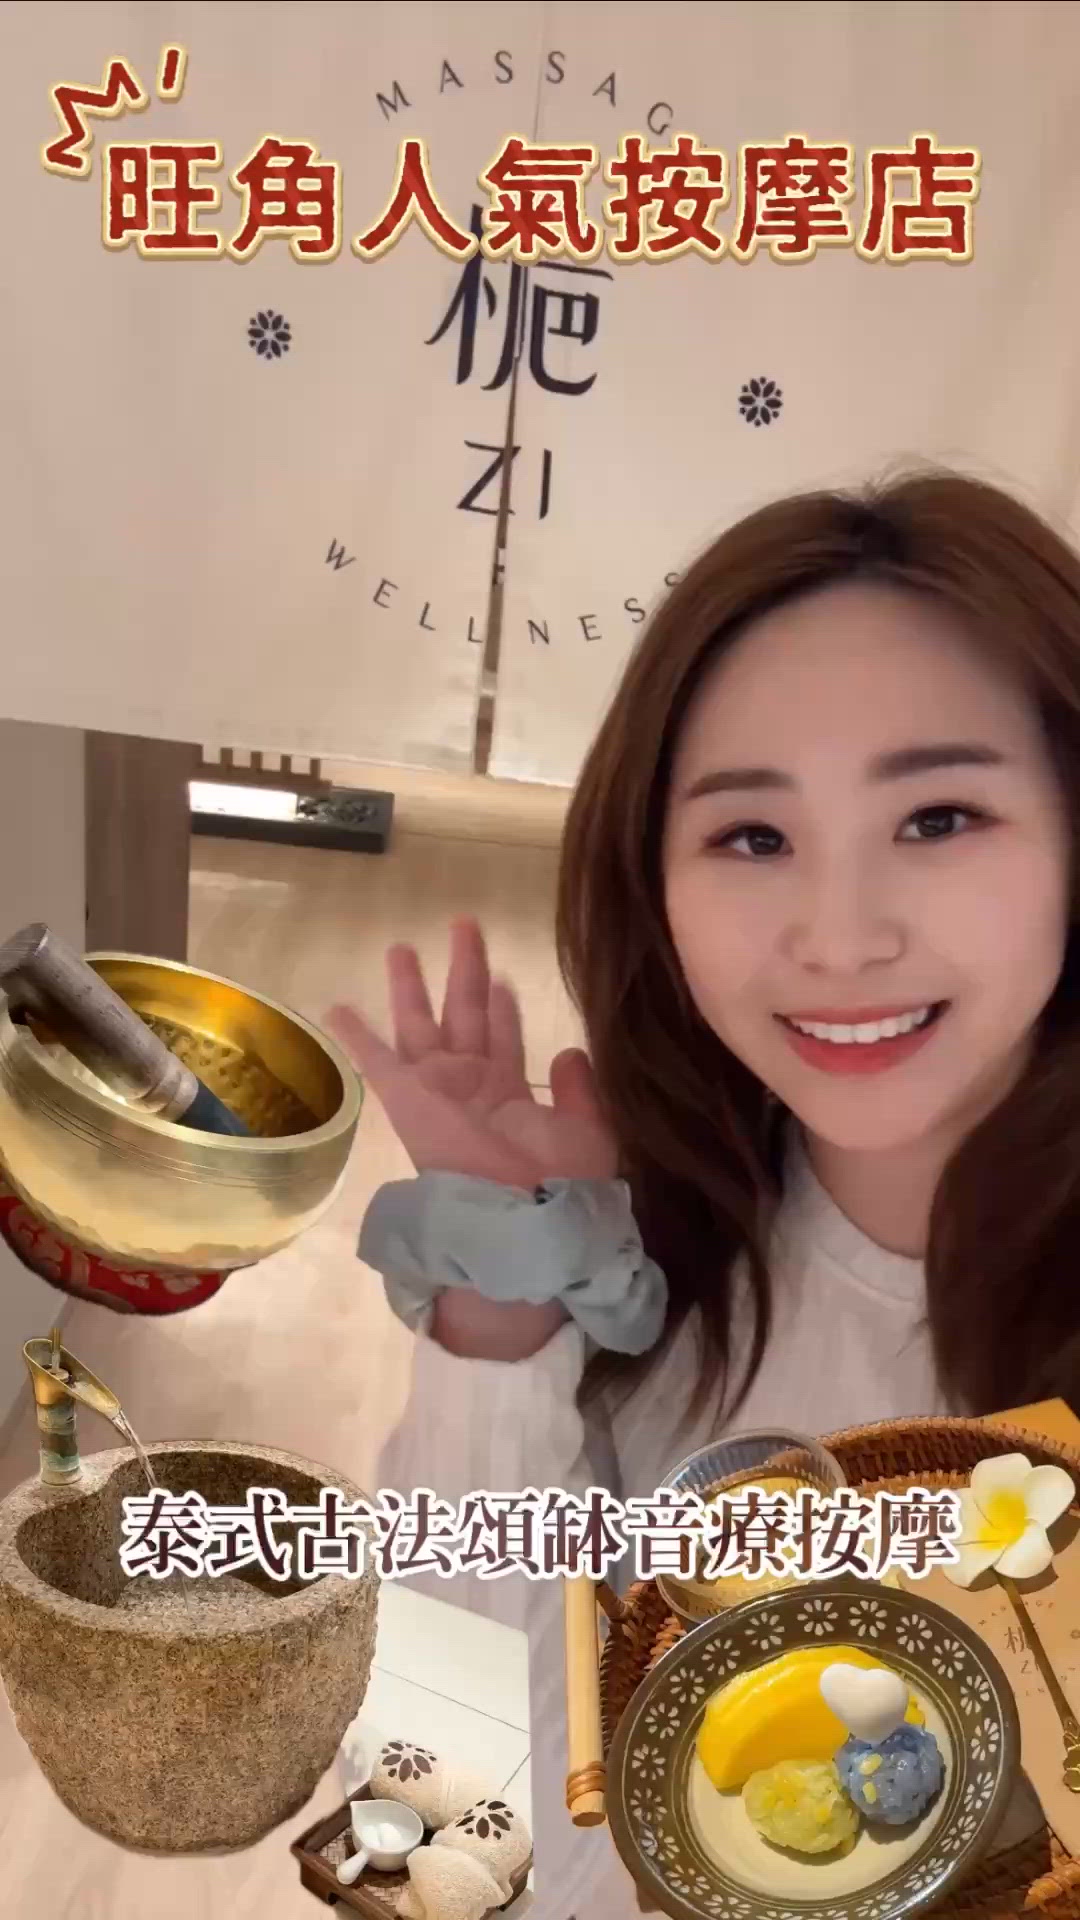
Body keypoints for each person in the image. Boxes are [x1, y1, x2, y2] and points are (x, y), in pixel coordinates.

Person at [329, 469, 1080, 1919]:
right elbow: (439, 1824)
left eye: (939, 818)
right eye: (753, 837)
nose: (840, 939)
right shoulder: (649, 1273)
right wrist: (500, 1325)